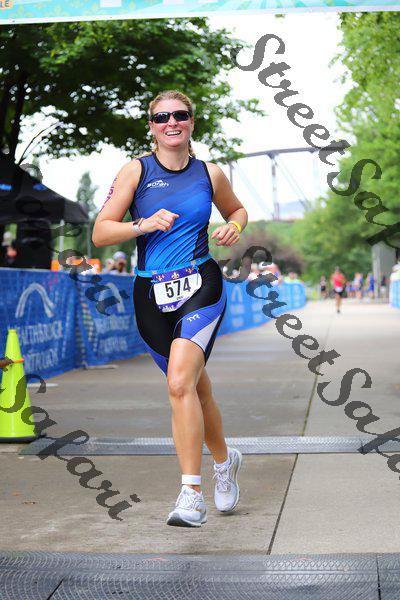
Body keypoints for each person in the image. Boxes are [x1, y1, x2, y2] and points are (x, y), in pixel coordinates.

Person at [92, 90, 248, 528]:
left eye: (180, 115)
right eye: (162, 117)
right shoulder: (136, 171)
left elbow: (237, 209)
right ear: (152, 127)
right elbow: (100, 233)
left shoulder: (209, 173)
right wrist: (142, 224)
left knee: (179, 384)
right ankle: (225, 461)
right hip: (150, 294)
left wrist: (234, 226)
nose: (171, 123)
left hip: (201, 284)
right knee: (195, 390)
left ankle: (190, 495)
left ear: (192, 122)